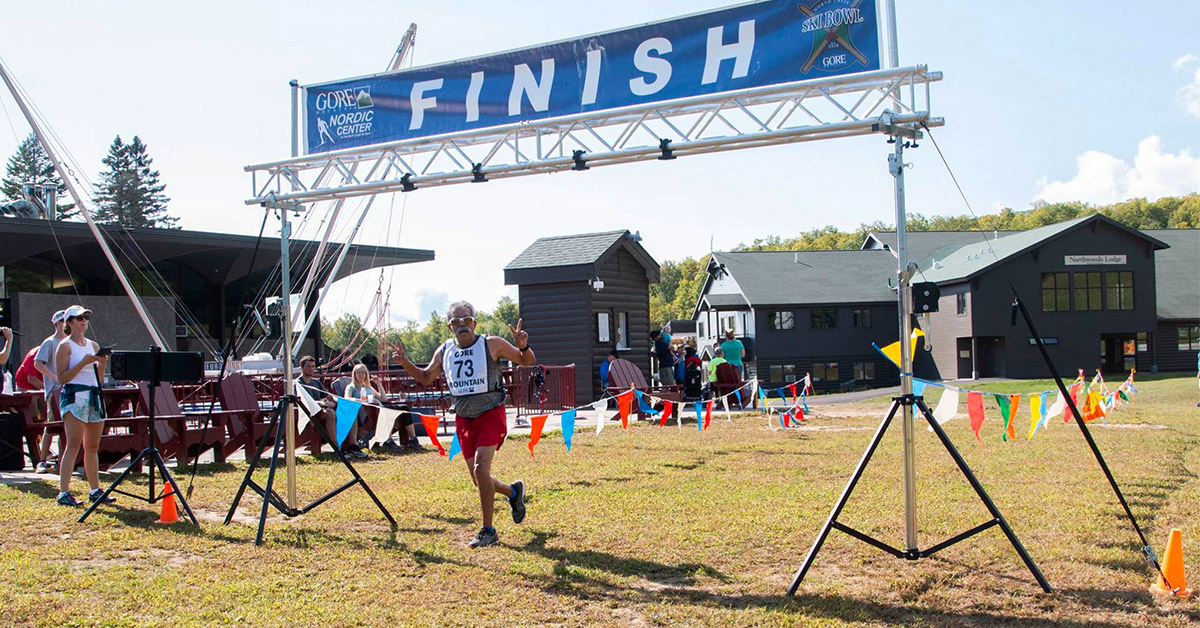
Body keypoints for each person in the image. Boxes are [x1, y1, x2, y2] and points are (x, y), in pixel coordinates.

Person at [391, 300, 534, 548]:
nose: (462, 326)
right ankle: (513, 493)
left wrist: (524, 346)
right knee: (478, 478)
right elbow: (425, 377)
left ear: (475, 322)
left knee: (481, 469)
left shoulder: (492, 344)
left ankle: (488, 531)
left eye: (466, 320)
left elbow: (527, 361)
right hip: (464, 417)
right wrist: (405, 363)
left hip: (490, 412)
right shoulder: (444, 350)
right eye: (456, 322)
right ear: (450, 327)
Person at [54, 305, 112, 507]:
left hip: (93, 396)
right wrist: (83, 363)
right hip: (74, 396)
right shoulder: (65, 346)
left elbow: (99, 377)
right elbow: (62, 378)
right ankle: (64, 492)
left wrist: (102, 363)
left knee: (93, 446)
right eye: (79, 318)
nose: (84, 321)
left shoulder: (93, 345)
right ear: (69, 322)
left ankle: (95, 489)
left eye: (85, 317)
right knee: (73, 445)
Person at [297, 355, 368, 459]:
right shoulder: (298, 383)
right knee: (330, 413)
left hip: (322, 409)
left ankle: (353, 445)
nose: (311, 369)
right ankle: (336, 449)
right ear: (302, 368)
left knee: (349, 408)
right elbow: (302, 401)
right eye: (308, 366)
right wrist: (321, 403)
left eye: (313, 366)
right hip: (309, 413)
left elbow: (328, 396)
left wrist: (339, 402)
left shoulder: (316, 382)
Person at [343, 363, 423, 453]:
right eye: (358, 372)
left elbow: (383, 398)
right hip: (368, 413)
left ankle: (413, 438)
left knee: (404, 408)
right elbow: (347, 398)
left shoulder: (368, 387)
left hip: (378, 408)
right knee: (385, 410)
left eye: (363, 372)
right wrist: (360, 400)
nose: (361, 374)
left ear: (366, 374)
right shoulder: (351, 387)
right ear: (354, 374)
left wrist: (378, 383)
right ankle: (388, 440)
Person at [33, 310, 68, 473]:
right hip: (54, 391)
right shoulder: (49, 342)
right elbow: (37, 363)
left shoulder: (71, 342)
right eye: (64, 321)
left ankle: (63, 461)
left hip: (69, 390)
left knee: (67, 426)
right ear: (58, 324)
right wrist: (54, 377)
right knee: (52, 425)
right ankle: (41, 460)